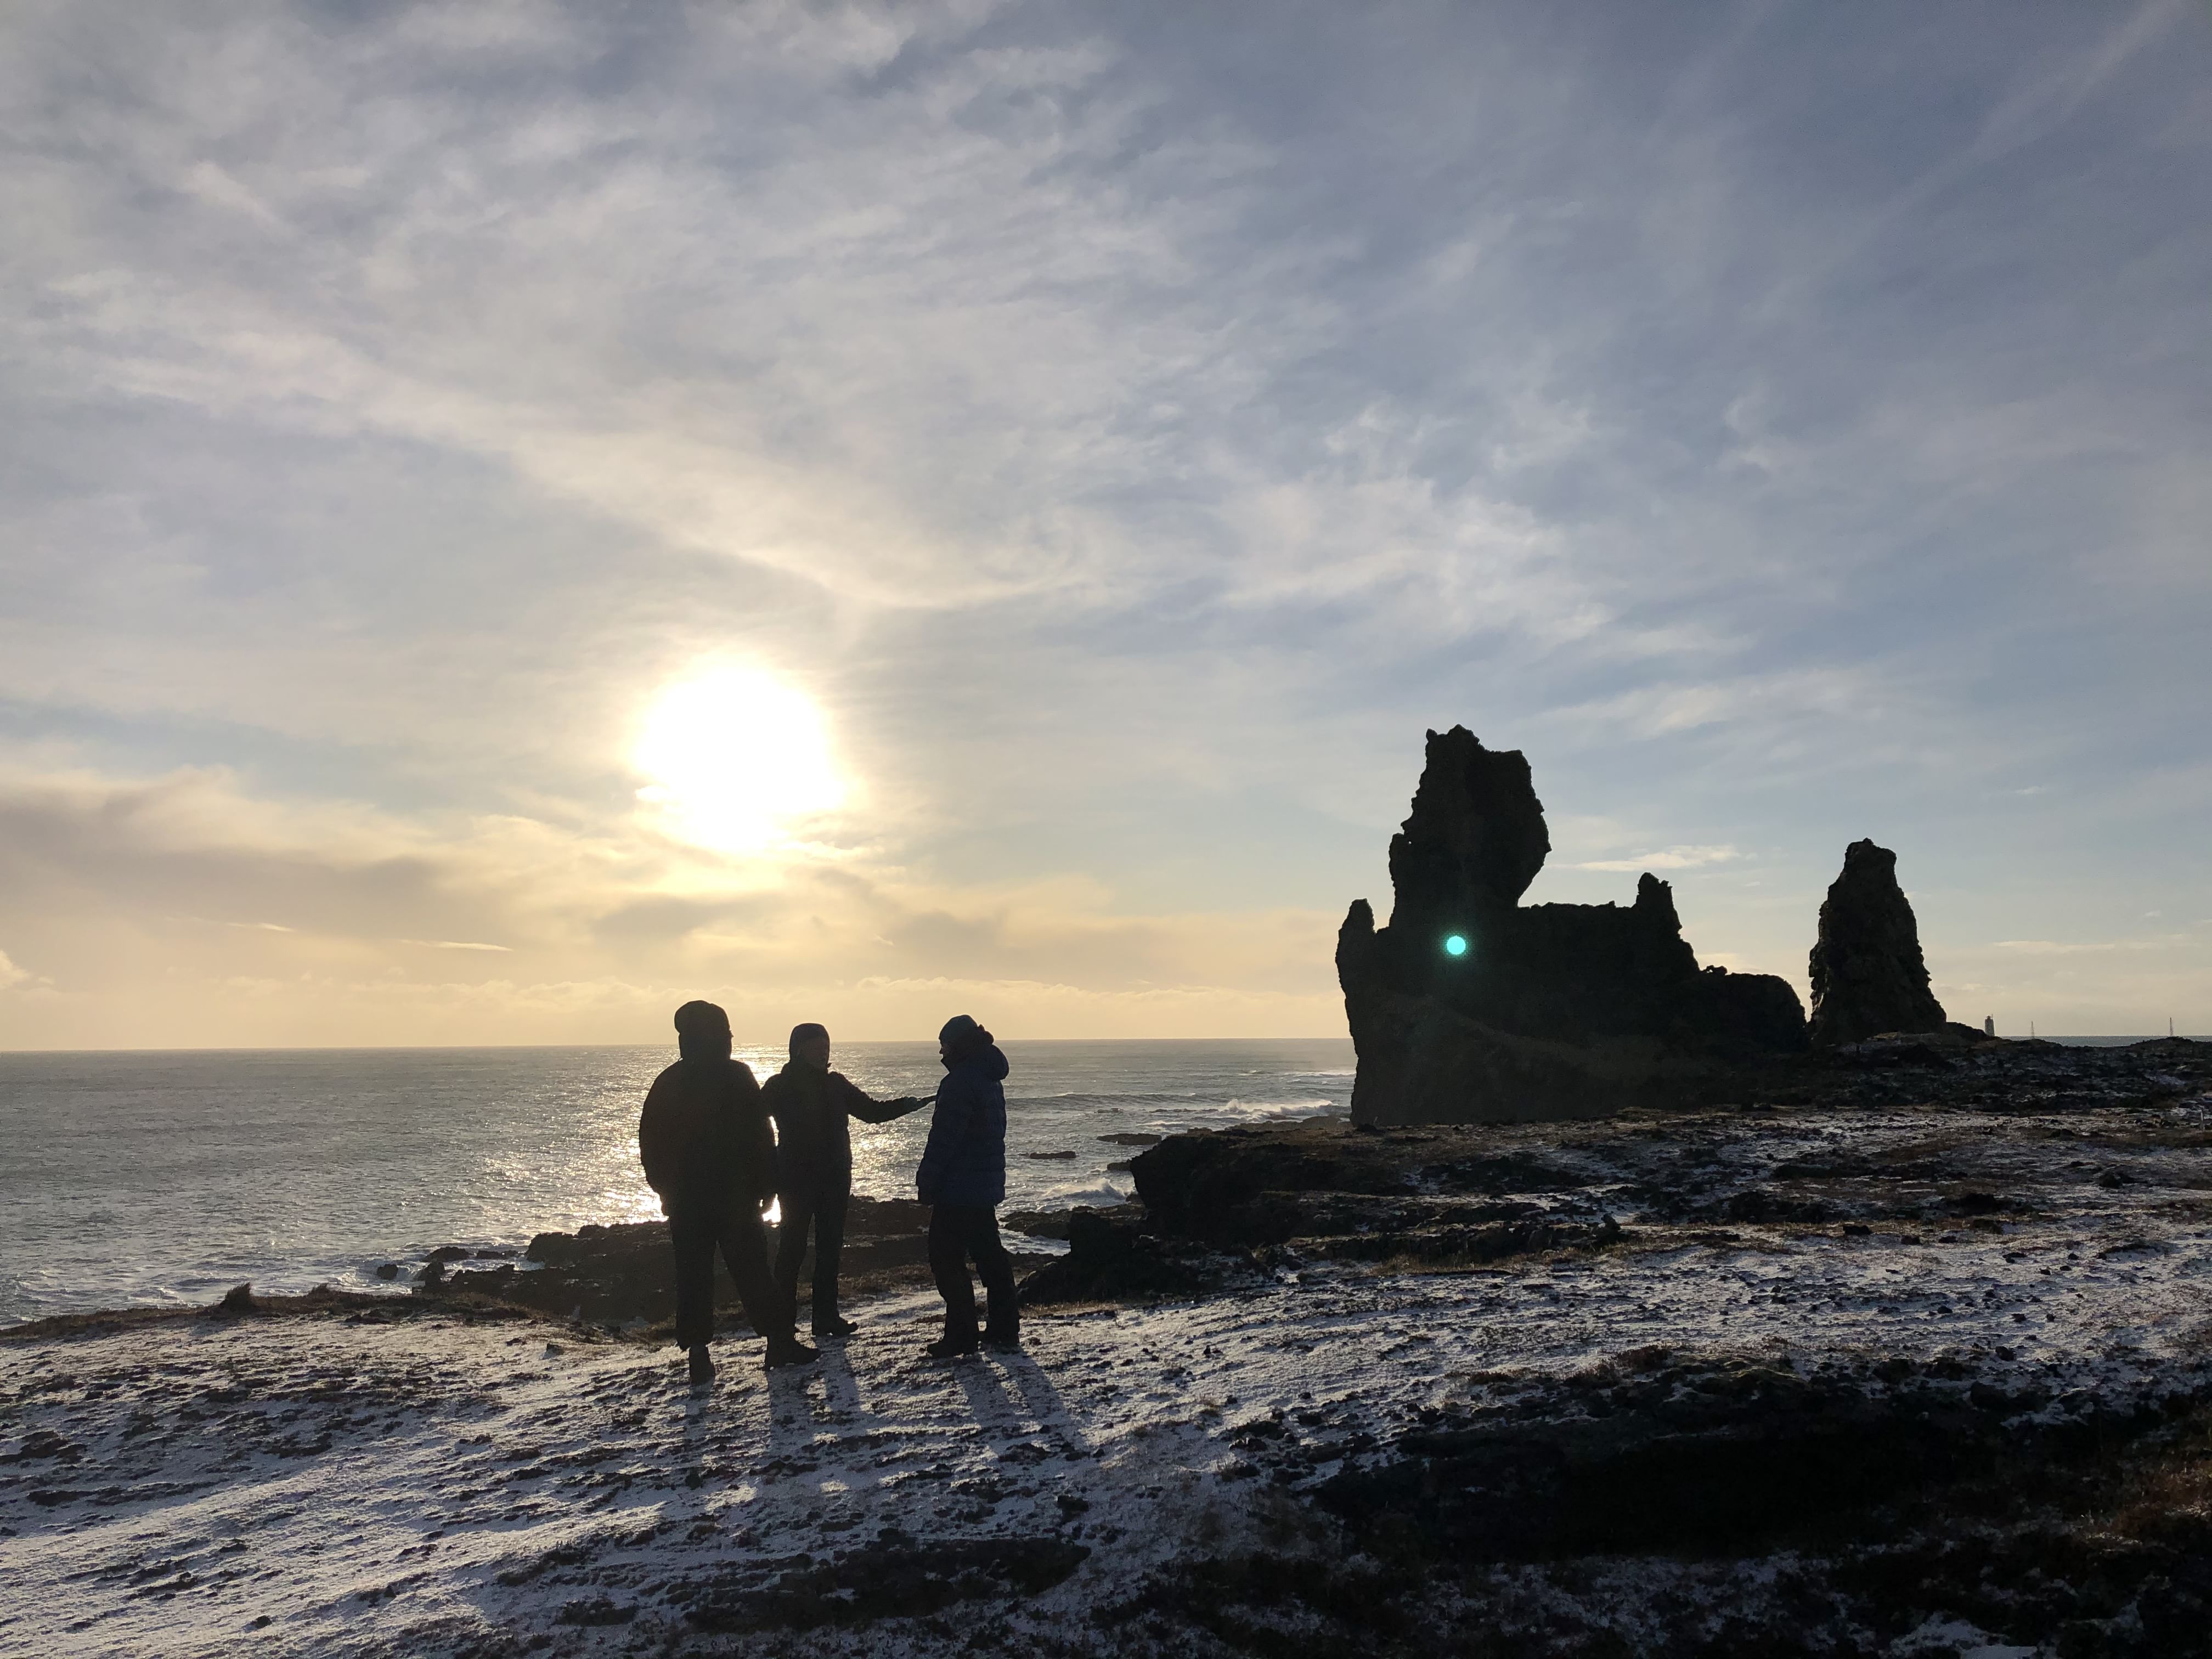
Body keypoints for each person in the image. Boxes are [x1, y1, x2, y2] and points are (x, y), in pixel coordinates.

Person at [637, 1000, 816, 1383]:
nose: (731, 1040)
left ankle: (701, 1354)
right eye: (726, 1034)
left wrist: (666, 1191)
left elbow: (650, 1144)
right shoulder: (736, 1076)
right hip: (733, 1199)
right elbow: (761, 1136)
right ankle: (777, 1343)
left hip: (694, 1202)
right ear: (717, 1037)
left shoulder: (669, 1082)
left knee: (695, 1277)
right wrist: (767, 1185)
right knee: (753, 1273)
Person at [761, 1022, 926, 1338]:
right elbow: (754, 1124)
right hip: (795, 1180)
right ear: (798, 1050)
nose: (822, 1054)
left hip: (835, 1180)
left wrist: (907, 1105)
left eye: (826, 1048)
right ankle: (782, 1325)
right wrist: (766, 1174)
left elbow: (872, 1112)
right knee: (791, 1251)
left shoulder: (836, 1084)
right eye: (816, 1048)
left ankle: (825, 1318)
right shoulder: (779, 1086)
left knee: (830, 1250)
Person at [915, 1013, 1018, 1358]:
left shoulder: (960, 1082)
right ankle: (1004, 1328)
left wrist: (927, 1180)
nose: (941, 1052)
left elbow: (944, 1140)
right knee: (990, 1258)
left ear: (957, 1046)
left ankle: (962, 1334)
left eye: (944, 1045)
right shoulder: (989, 1077)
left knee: (945, 1259)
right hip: (983, 1184)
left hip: (958, 1187)